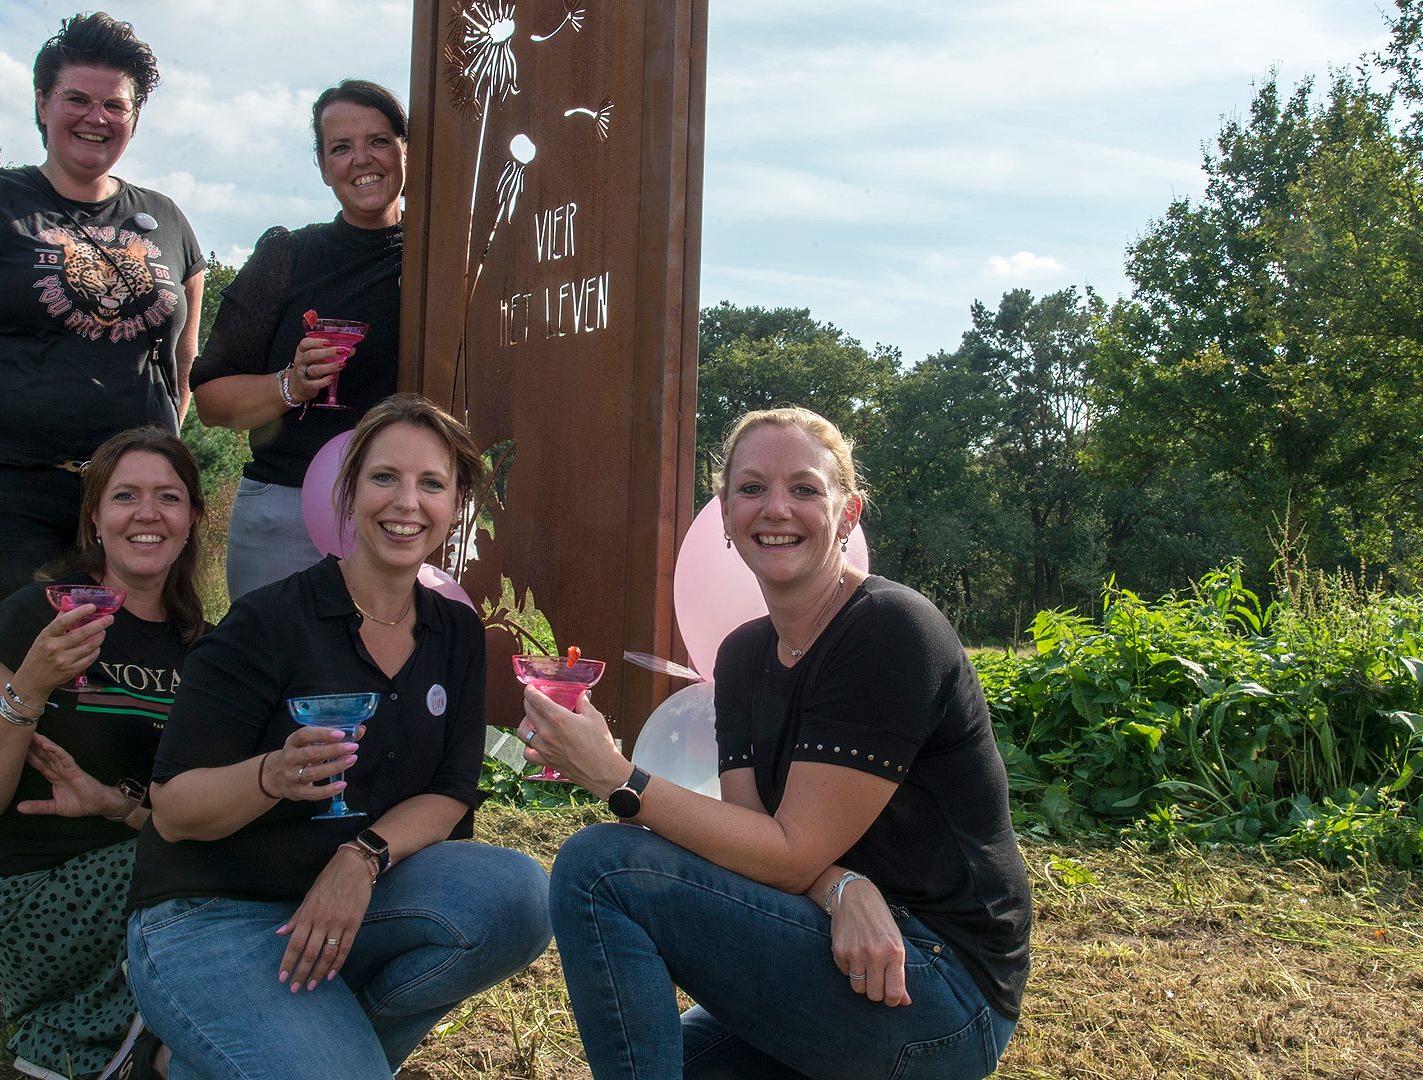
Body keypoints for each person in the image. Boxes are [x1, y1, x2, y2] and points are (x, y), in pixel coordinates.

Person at [524, 407, 1033, 1080]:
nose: (776, 508)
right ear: (727, 516)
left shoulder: (889, 630)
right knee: (667, 1061)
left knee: (601, 869)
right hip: (830, 945)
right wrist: (843, 885)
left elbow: (787, 857)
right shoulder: (743, 654)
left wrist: (617, 778)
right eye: (752, 488)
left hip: (936, 989)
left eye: (804, 488)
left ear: (848, 513)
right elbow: (756, 837)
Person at [124, 394, 550, 1079]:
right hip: (210, 917)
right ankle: (199, 1046)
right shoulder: (267, 624)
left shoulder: (456, 631)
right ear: (348, 492)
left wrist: (362, 858)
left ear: (456, 503)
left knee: (518, 896)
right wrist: (269, 776)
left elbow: (450, 792)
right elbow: (173, 810)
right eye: (384, 478)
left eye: (431, 483)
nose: (406, 502)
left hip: (348, 900)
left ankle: (249, 1052)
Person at [0, 11, 206, 654]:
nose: (96, 117)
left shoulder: (168, 220)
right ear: (41, 103)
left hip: (128, 509)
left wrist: (153, 477)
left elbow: (182, 364)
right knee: (30, 670)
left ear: (134, 117)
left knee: (125, 681)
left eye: (115, 104)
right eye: (76, 99)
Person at [0, 426, 210, 1080]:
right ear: (95, 518)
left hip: (139, 869)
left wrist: (115, 806)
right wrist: (30, 684)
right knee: (220, 892)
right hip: (24, 891)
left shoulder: (204, 649)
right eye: (125, 496)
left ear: (192, 518)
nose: (147, 513)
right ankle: (99, 1038)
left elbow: (198, 815)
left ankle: (59, 1023)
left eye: (168, 497)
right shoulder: (37, 615)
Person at [189, 78, 406, 601]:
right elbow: (212, 401)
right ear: (322, 164)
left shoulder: (445, 264)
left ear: (408, 149)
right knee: (271, 677)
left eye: (378, 141)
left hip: (404, 517)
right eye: (340, 148)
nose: (361, 159)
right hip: (283, 516)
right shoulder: (286, 257)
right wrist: (292, 384)